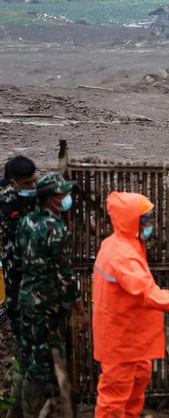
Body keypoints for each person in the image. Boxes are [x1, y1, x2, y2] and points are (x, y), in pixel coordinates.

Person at [92, 192, 169, 417]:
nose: (151, 225)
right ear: (131, 221)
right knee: (114, 399)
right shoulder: (122, 255)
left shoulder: (127, 244)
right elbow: (147, 292)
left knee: (135, 389)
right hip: (120, 341)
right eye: (146, 220)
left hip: (131, 337)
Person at [16, 173, 82, 417]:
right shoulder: (56, 229)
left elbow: (20, 257)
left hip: (27, 299)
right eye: (63, 194)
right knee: (42, 365)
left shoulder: (26, 222)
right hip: (47, 306)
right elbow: (65, 275)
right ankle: (34, 411)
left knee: (28, 355)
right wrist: (77, 306)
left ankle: (22, 409)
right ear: (54, 199)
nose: (67, 198)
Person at [0, 156, 37, 417]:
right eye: (27, 183)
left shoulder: (30, 194)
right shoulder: (5, 203)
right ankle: (15, 404)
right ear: (13, 183)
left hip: (30, 282)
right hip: (16, 283)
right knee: (23, 341)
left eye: (34, 180)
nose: (32, 186)